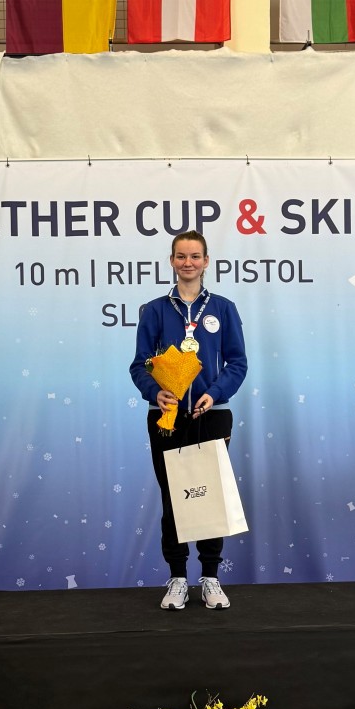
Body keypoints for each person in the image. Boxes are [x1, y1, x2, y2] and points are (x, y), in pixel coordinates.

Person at [129, 231, 248, 611]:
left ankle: (210, 577)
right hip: (166, 417)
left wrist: (215, 392)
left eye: (195, 256)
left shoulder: (224, 309)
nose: (188, 263)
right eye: (181, 256)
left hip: (213, 414)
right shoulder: (155, 310)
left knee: (210, 494)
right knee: (174, 497)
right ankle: (178, 577)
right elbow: (139, 365)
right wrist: (155, 392)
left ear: (206, 261)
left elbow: (238, 363)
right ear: (172, 261)